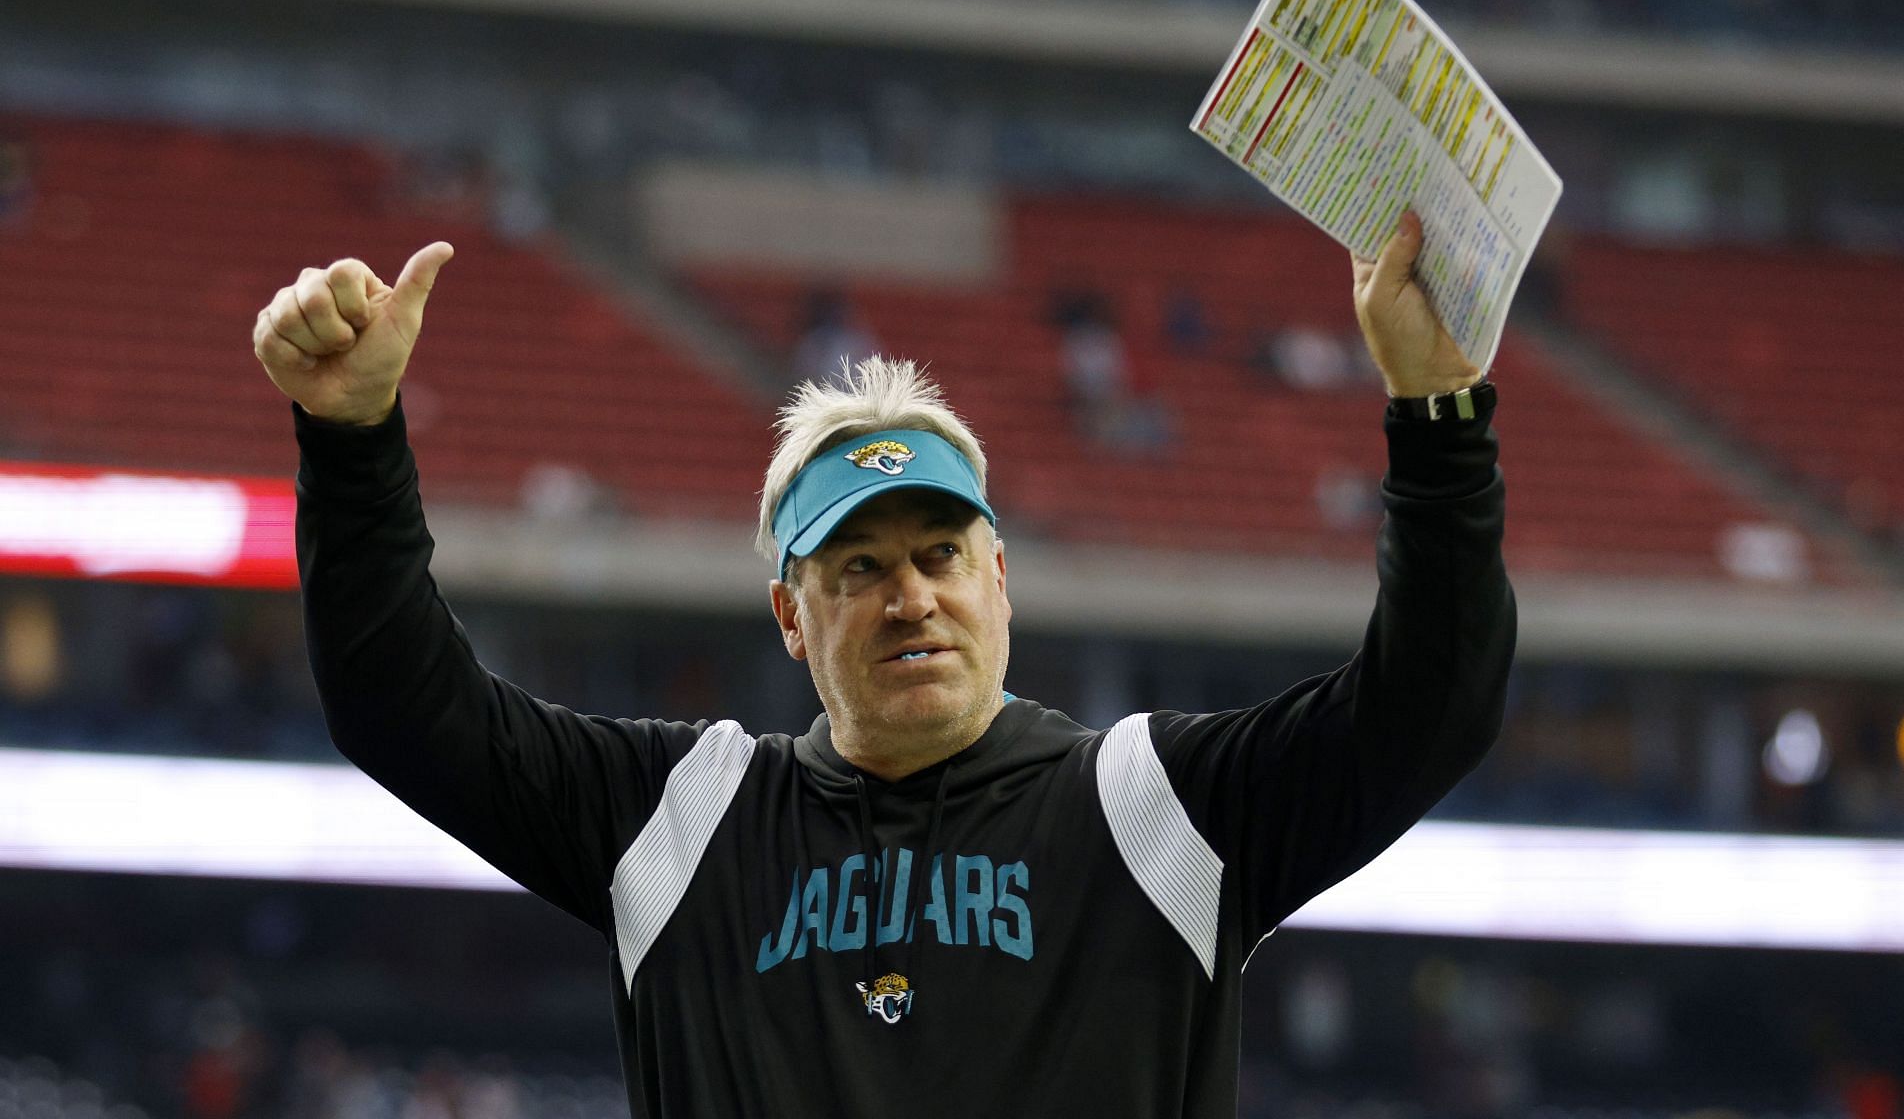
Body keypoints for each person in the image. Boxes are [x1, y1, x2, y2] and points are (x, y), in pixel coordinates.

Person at [251, 208, 1513, 1117]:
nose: (909, 594)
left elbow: (1429, 702)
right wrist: (352, 435)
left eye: (940, 552)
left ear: (999, 577)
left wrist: (1438, 412)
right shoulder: (684, 821)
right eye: (857, 569)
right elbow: (400, 707)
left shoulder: (1148, 809)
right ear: (791, 617)